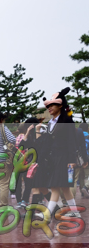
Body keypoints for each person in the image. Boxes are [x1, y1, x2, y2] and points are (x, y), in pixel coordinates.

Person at [37, 89, 78, 218]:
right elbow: (47, 144)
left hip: (64, 158)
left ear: (60, 105)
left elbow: (72, 141)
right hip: (54, 158)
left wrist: (72, 160)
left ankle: (47, 214)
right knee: (64, 188)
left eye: (52, 105)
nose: (49, 108)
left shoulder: (67, 121)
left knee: (55, 187)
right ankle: (76, 213)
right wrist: (40, 159)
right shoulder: (50, 123)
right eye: (48, 106)